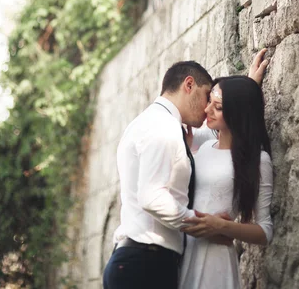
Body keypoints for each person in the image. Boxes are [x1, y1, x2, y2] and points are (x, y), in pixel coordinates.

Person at [102, 51, 268, 289]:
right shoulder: (164, 129)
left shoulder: (149, 122)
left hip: (143, 260)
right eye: (205, 97)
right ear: (189, 85)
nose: (206, 109)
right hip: (145, 262)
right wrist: (205, 225)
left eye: (215, 103)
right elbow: (152, 198)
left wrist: (247, 88)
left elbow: (228, 124)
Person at [179, 71, 273, 289]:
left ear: (237, 113)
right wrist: (246, 82)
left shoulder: (258, 160)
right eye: (209, 101)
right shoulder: (202, 146)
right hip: (183, 250)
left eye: (218, 107)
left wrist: (223, 226)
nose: (207, 110)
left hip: (215, 259)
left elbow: (265, 230)